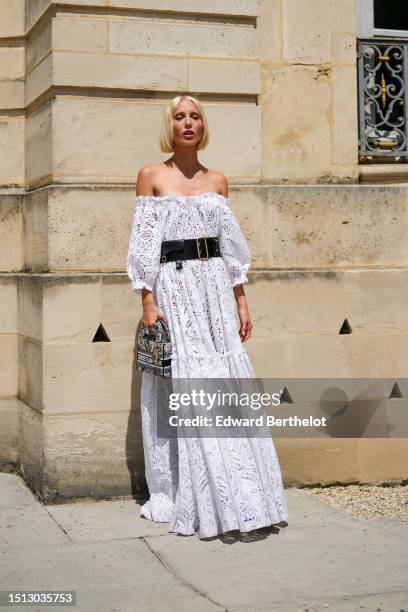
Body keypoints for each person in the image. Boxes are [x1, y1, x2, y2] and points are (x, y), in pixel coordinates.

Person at [126, 94, 289, 540]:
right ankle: (195, 492)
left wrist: (240, 300)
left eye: (195, 116)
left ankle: (245, 489)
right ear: (170, 126)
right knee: (187, 382)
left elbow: (231, 248)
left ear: (203, 125)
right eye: (179, 117)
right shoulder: (151, 176)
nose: (188, 123)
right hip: (174, 290)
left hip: (215, 288)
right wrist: (147, 300)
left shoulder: (218, 180)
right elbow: (143, 247)